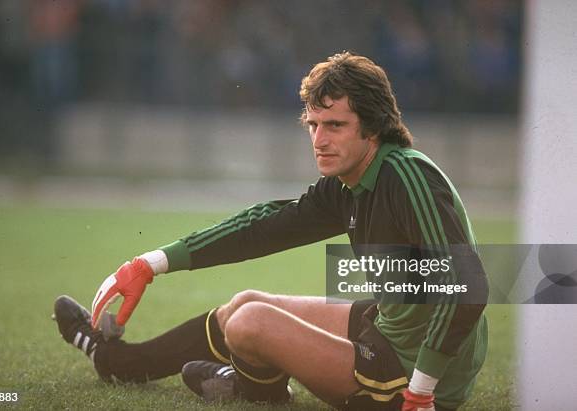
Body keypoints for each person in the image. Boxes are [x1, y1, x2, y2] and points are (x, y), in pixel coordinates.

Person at [54, 52, 488, 411]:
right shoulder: (350, 182)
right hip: (392, 332)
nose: (319, 139)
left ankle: (255, 388)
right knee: (243, 305)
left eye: (335, 126)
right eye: (314, 125)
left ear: (372, 128)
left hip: (415, 378)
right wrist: (151, 263)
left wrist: (422, 392)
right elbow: (263, 227)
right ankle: (120, 363)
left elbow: (468, 288)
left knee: (251, 325)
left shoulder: (406, 176)